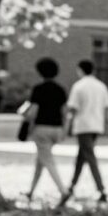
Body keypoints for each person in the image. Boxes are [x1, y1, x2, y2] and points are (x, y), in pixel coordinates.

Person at [60, 59, 108, 207]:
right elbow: (107, 110)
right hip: (96, 126)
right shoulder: (101, 86)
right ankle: (71, 187)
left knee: (90, 158)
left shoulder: (78, 86)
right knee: (81, 158)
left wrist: (66, 128)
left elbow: (72, 110)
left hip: (83, 127)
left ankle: (101, 190)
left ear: (80, 70)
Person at [21, 58, 69, 202]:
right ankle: (30, 191)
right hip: (57, 129)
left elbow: (33, 112)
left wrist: (24, 115)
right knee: (41, 160)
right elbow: (65, 113)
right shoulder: (61, 89)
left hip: (42, 130)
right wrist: (65, 131)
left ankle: (63, 190)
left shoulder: (38, 89)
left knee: (47, 161)